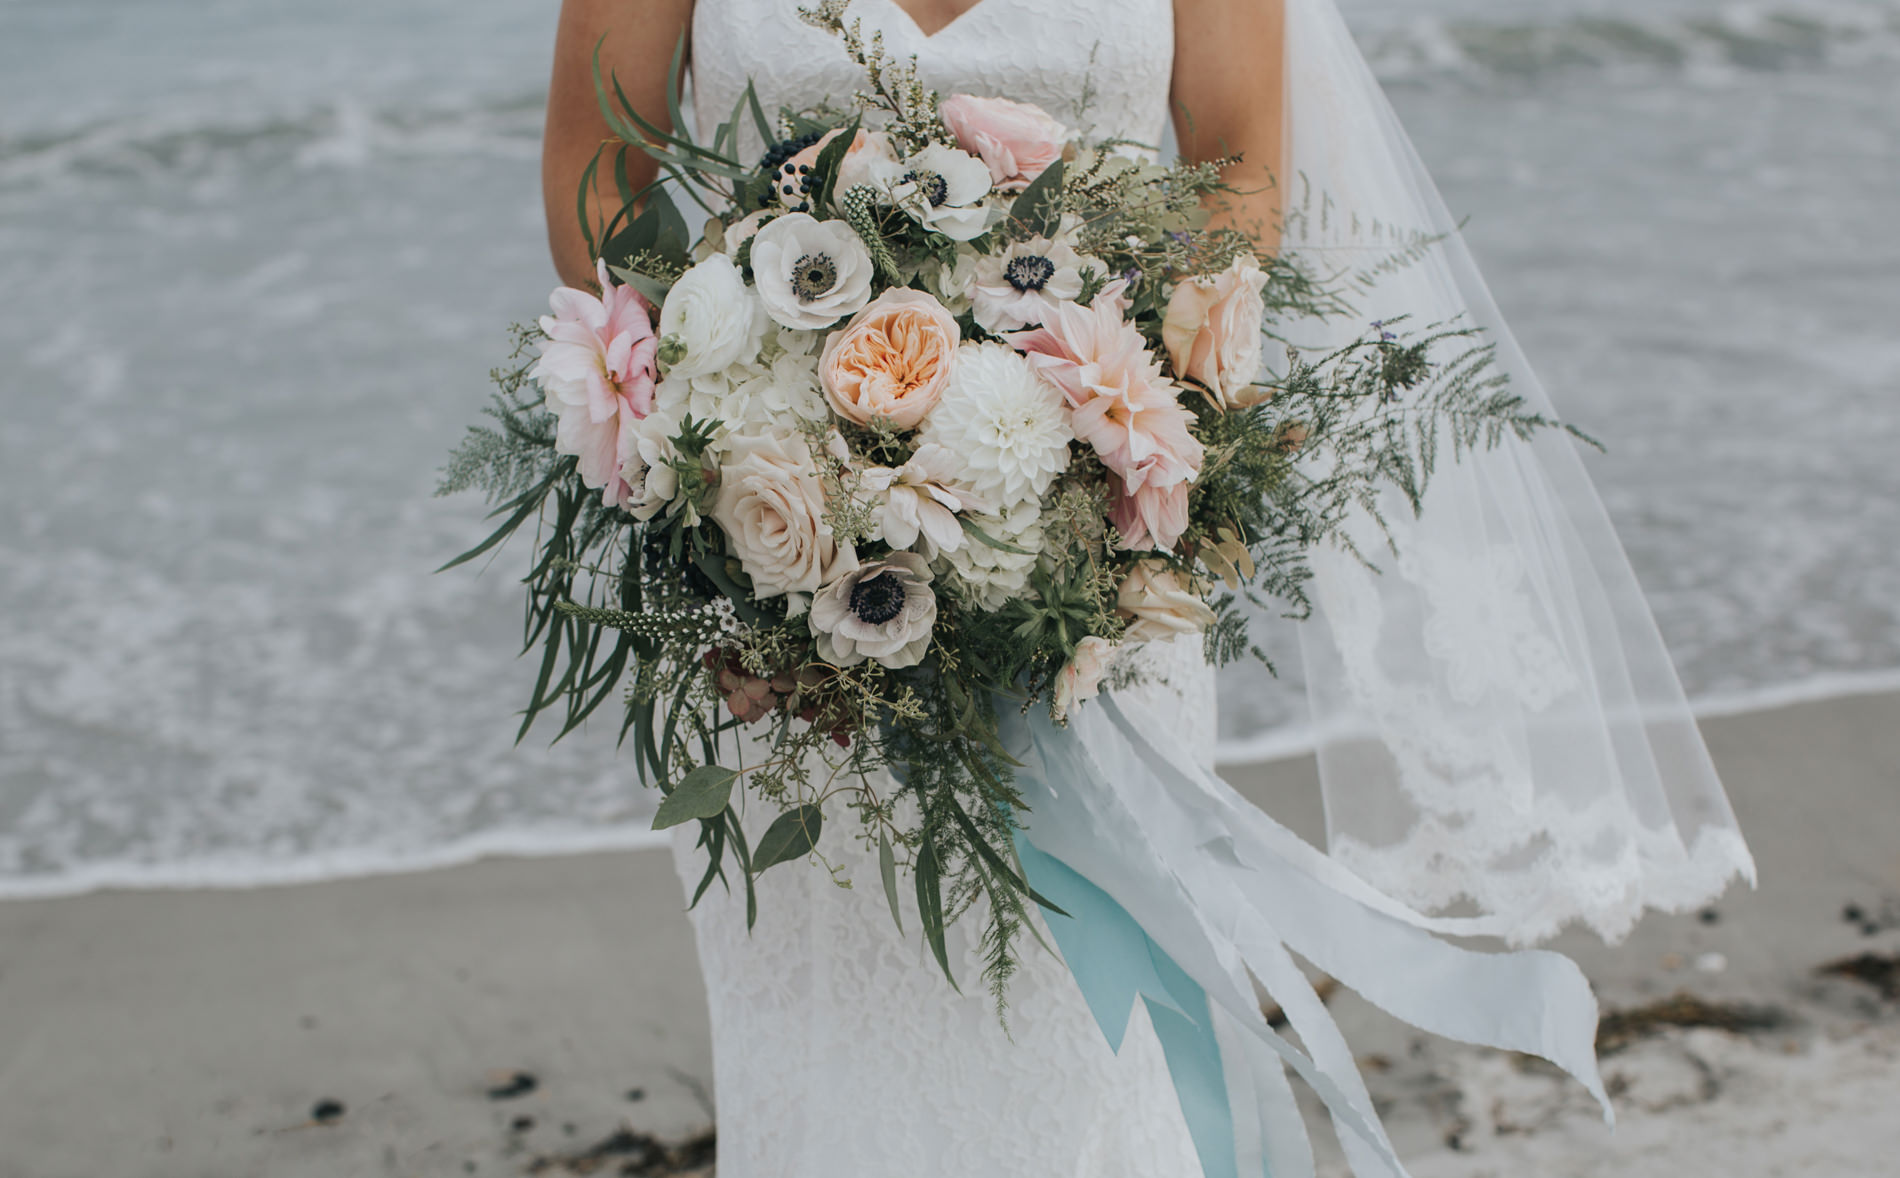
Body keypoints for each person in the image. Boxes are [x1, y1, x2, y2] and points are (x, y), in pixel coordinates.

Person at [538, 2, 1755, 1175]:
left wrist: (1084, 449)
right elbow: (599, 161)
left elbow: (1233, 159)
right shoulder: (772, 527)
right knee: (830, 1037)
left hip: (1098, 569)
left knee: (1093, 1047)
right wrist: (723, 435)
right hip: (790, 583)